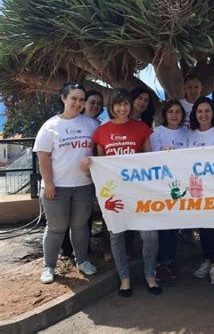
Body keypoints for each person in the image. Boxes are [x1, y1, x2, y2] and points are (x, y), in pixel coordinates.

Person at [91, 88, 160, 297]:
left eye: (126, 104)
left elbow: (149, 160)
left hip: (139, 192)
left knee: (150, 236)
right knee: (117, 235)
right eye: (118, 104)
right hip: (114, 194)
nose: (122, 108)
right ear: (111, 107)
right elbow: (100, 163)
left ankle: (150, 275)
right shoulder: (101, 131)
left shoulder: (141, 128)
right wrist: (89, 163)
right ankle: (125, 279)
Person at [33, 83, 98, 284]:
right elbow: (43, 158)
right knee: (56, 227)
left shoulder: (91, 124)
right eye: (73, 99)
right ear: (63, 98)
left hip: (83, 186)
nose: (77, 103)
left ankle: (82, 261)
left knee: (80, 226)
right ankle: (49, 266)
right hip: (57, 187)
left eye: (81, 99)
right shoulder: (50, 126)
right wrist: (49, 183)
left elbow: (99, 151)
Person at [187, 96, 214, 285]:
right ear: (195, 114)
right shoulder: (190, 134)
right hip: (197, 189)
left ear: (213, 112)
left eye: (207, 111)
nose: (203, 115)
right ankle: (206, 260)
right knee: (202, 226)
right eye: (199, 111)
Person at [61, 89, 104, 259]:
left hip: (92, 177)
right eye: (92, 101)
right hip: (67, 177)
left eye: (99, 104)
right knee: (65, 216)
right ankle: (65, 249)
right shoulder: (68, 122)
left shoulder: (99, 124)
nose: (95, 105)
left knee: (85, 216)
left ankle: (84, 250)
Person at [150, 99, 188, 280]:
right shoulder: (157, 133)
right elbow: (151, 158)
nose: (174, 115)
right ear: (165, 114)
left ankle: (170, 262)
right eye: (171, 111)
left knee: (174, 228)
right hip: (162, 188)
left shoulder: (187, 132)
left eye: (178, 112)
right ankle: (159, 264)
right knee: (162, 228)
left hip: (181, 187)